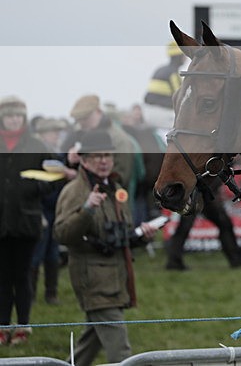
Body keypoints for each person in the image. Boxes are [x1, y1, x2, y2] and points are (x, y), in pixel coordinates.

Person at [53, 130, 156, 366]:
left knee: (89, 345)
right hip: (93, 281)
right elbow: (61, 234)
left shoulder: (113, 187)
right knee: (122, 353)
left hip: (115, 277)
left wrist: (143, 235)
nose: (103, 161)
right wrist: (87, 210)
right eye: (97, 156)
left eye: (108, 155)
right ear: (84, 160)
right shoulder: (75, 192)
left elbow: (121, 234)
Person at [0, 96, 57, 346]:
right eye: (9, 115)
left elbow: (55, 176)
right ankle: (2, 326)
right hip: (1, 222)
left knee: (21, 275)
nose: (13, 119)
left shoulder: (36, 144)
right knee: (2, 277)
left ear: (23, 117)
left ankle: (23, 326)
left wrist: (34, 188)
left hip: (26, 222)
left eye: (18, 115)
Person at [63, 94, 145, 205]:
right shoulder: (81, 133)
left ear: (98, 112)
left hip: (114, 204)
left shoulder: (119, 140)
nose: (81, 123)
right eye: (79, 120)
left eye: (85, 118)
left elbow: (121, 177)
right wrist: (71, 161)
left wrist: (78, 176)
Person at [30, 117, 75, 306]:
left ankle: (51, 293)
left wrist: (68, 164)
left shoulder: (55, 152)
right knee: (37, 254)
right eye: (53, 131)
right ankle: (30, 295)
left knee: (52, 254)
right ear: (42, 134)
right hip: (40, 209)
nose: (57, 135)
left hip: (55, 209)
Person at [164, 181, 241, 271]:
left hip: (199, 193)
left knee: (185, 227)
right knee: (224, 224)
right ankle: (236, 259)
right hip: (200, 193)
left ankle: (174, 261)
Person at [142, 41, 186, 139]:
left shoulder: (160, 69)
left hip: (148, 112)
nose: (186, 58)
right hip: (162, 114)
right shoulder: (174, 74)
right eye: (184, 55)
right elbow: (181, 99)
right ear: (179, 56)